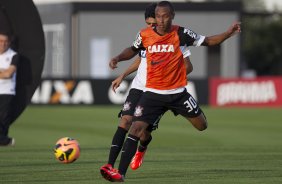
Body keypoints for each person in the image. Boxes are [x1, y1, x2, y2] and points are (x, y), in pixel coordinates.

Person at [102, 1, 241, 182]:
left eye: (165, 16)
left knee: (202, 126)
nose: (161, 20)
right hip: (152, 93)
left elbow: (208, 41)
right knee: (135, 128)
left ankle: (129, 160)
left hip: (177, 93)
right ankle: (120, 174)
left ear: (172, 16)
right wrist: (117, 58)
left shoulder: (181, 33)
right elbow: (132, 50)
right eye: (158, 16)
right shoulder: (144, 35)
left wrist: (229, 33)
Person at [100, 2, 193, 176]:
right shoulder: (145, 36)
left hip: (157, 91)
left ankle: (142, 148)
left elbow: (188, 66)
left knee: (143, 133)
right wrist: (122, 75)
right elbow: (140, 58)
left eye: (154, 23)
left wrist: (171, 75)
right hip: (138, 86)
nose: (153, 26)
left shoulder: (174, 38)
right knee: (125, 121)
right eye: (149, 23)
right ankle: (109, 165)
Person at [0, 30, 19, 146]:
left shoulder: (13, 55)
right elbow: (5, 73)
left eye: (6, 41)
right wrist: (3, 72)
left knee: (3, 119)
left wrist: (5, 73)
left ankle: (4, 141)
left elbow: (9, 74)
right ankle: (5, 141)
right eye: (1, 41)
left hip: (7, 91)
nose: (3, 43)